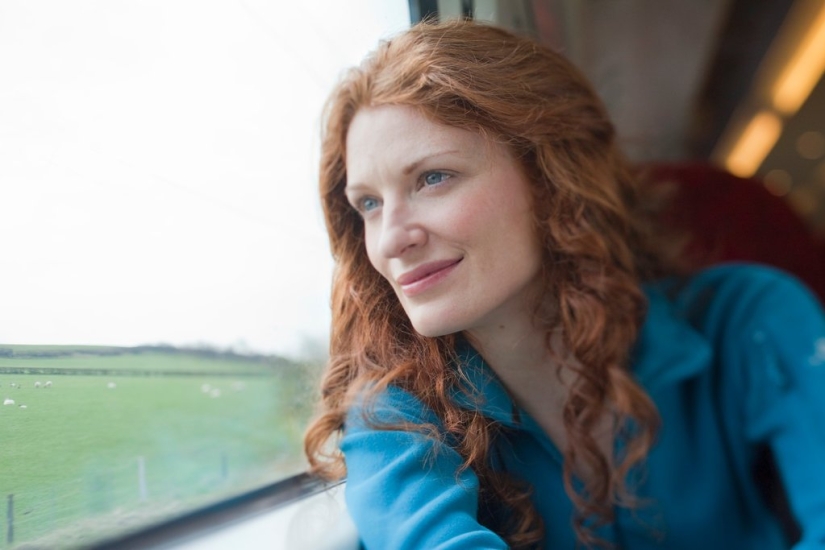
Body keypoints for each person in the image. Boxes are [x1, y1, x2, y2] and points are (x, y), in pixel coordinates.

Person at [303, 18, 825, 550]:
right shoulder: (393, 412)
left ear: (551, 178)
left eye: (433, 177)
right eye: (369, 203)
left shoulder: (748, 315)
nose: (391, 239)